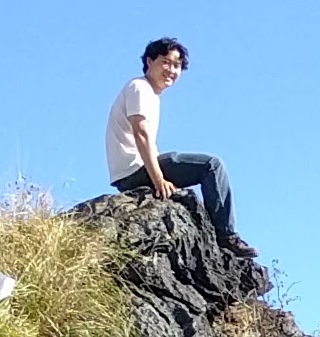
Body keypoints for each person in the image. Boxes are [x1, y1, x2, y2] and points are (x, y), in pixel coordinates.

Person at [104, 38, 243, 249]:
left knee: (195, 184)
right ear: (150, 62)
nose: (171, 70)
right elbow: (141, 134)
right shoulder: (139, 87)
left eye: (177, 66)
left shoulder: (150, 95)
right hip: (134, 171)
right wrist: (159, 179)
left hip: (129, 173)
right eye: (166, 62)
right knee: (211, 166)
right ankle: (226, 236)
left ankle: (215, 233)